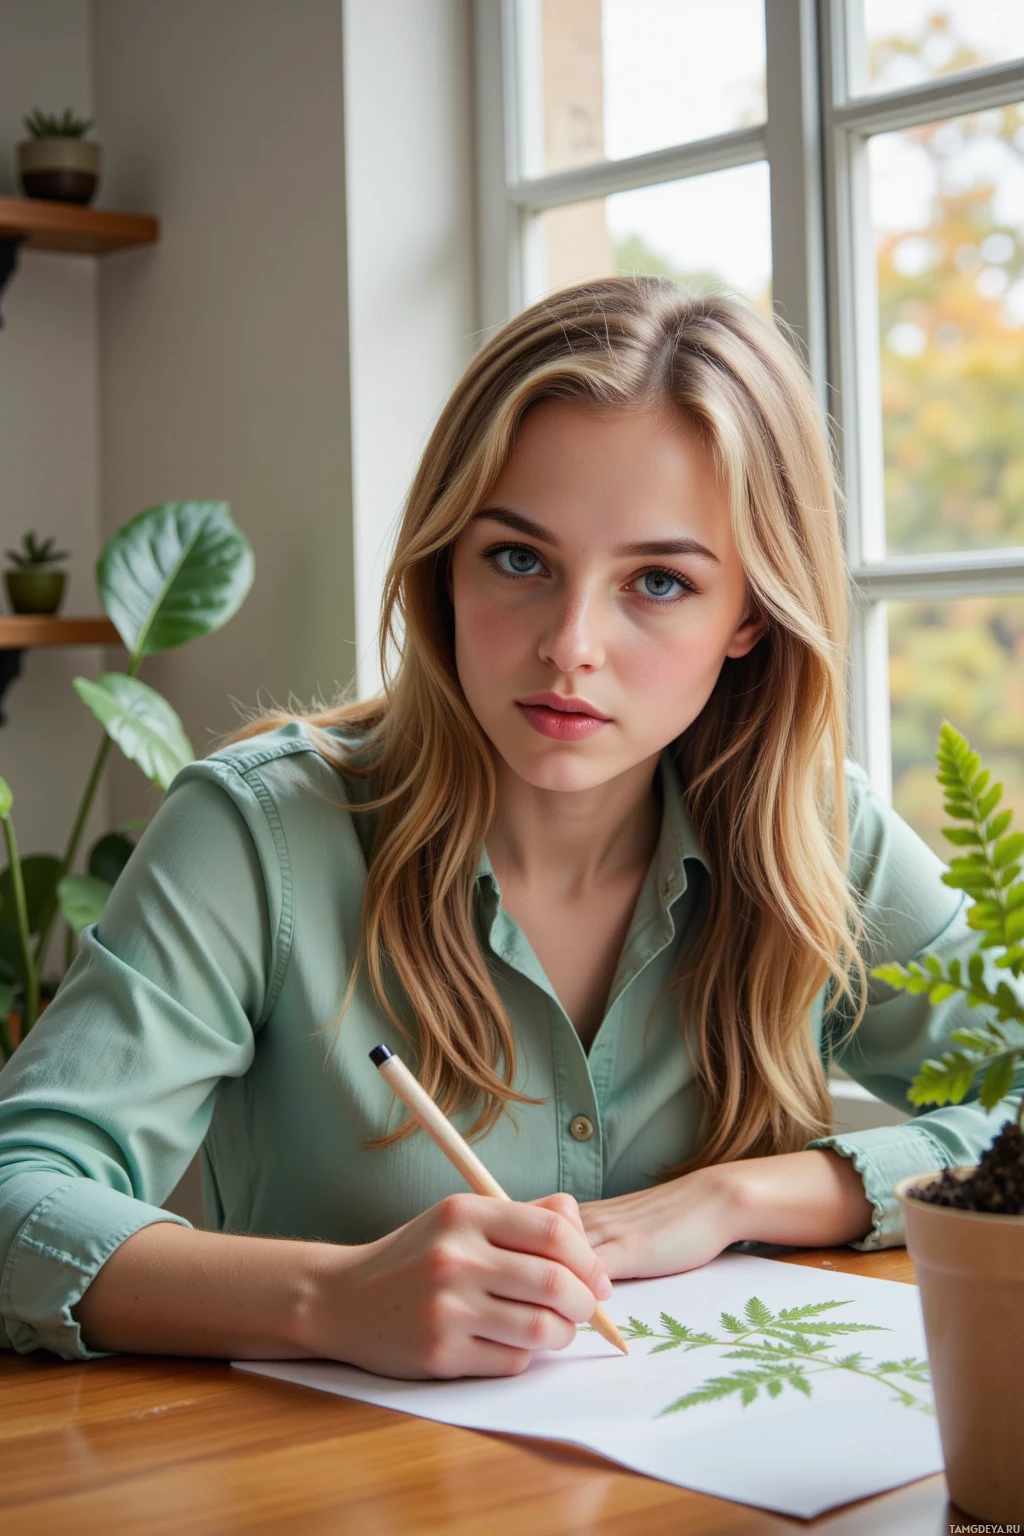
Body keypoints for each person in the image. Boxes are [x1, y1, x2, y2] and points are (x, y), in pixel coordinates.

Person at [0, 278, 1017, 1380]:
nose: (570, 644)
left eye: (660, 581)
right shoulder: (258, 835)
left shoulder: (817, 836)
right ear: (445, 563)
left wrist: (739, 1194)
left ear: (750, 617)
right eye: (519, 559)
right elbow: (20, 1192)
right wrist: (327, 1299)